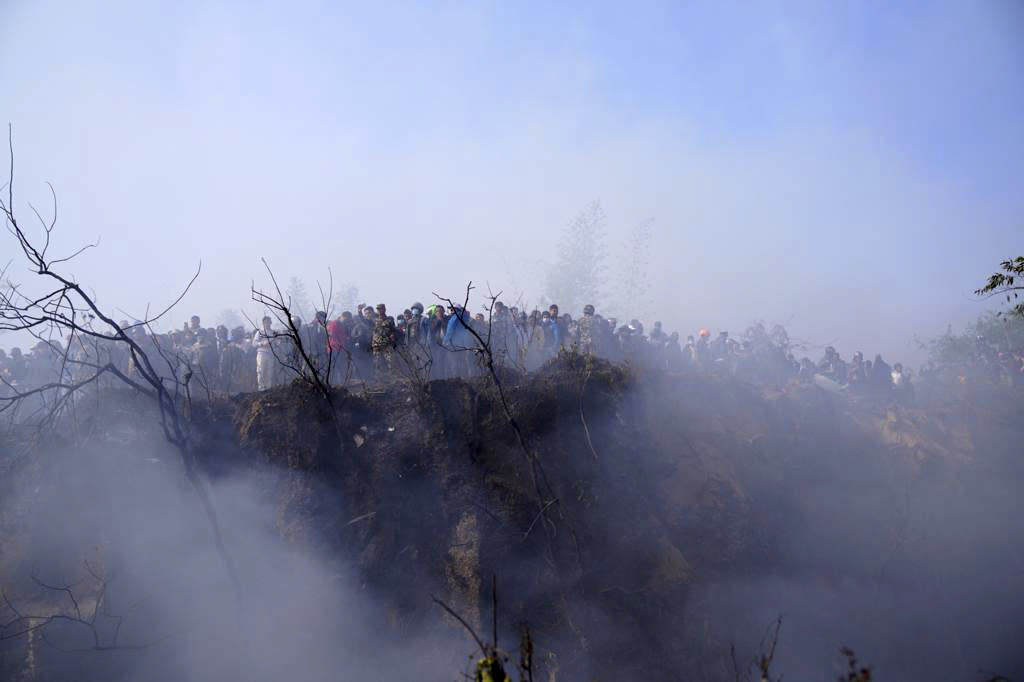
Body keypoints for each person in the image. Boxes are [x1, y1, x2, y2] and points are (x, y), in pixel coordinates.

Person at [253, 316, 276, 390]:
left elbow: (276, 343)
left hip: (270, 354)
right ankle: (261, 388)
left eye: (269, 322)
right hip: (262, 353)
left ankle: (268, 387)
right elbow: (254, 343)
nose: (268, 323)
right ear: (263, 323)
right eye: (266, 322)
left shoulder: (273, 332)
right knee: (261, 370)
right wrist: (262, 344)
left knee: (270, 371)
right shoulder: (260, 332)